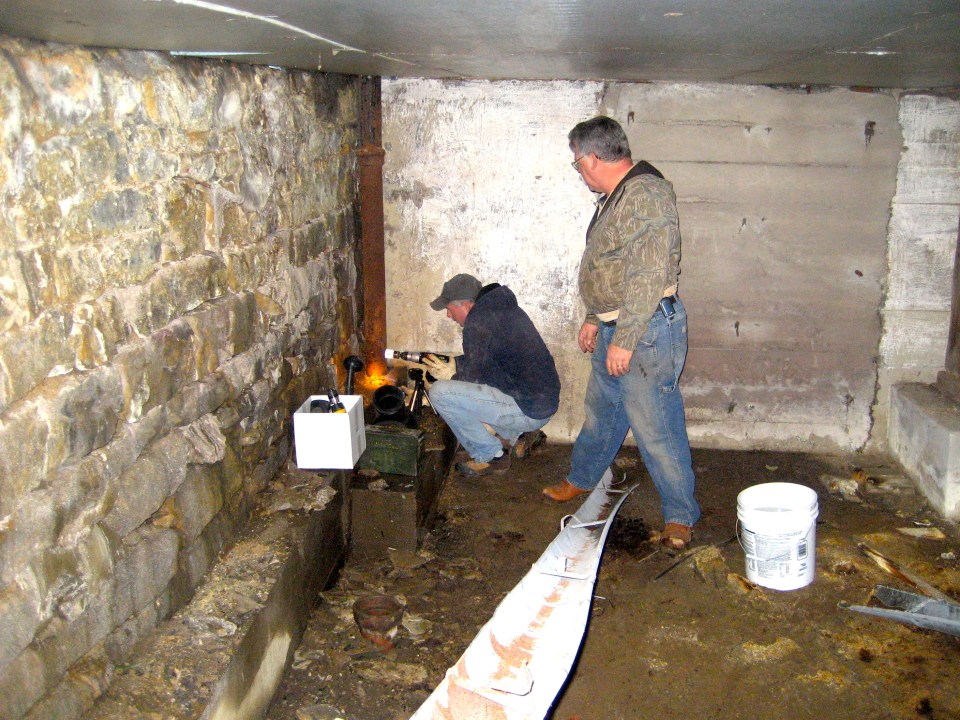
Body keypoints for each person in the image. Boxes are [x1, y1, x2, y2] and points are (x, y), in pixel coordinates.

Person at [542, 116, 700, 553]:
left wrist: (626, 339)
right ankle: (582, 478)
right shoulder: (617, 196)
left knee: (656, 424)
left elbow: (648, 274)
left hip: (645, 327)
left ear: (592, 157)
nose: (579, 171)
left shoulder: (645, 194)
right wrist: (595, 317)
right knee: (604, 409)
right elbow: (610, 266)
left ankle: (681, 515)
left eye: (577, 163)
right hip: (620, 322)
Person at [420, 273, 560, 477]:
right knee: (471, 393)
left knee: (440, 393)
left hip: (529, 409)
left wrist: (451, 376)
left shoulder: (478, 322)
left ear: (465, 305)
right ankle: (519, 436)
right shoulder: (499, 310)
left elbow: (474, 379)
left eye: (449, 309)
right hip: (541, 402)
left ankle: (491, 456)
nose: (449, 316)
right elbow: (488, 363)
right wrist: (454, 363)